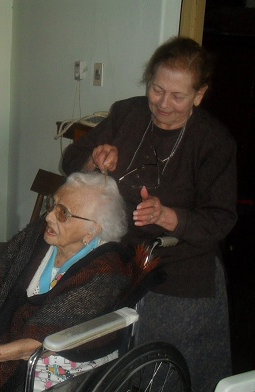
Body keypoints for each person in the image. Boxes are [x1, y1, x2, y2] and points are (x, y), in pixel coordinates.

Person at [62, 37, 237, 391]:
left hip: (183, 276)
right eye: (157, 90)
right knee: (116, 366)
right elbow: (69, 160)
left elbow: (221, 218)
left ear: (199, 95)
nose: (163, 104)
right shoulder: (128, 114)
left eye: (178, 96)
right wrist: (94, 158)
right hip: (121, 265)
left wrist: (170, 216)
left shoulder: (213, 142)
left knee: (171, 373)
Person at [0, 172, 157, 391]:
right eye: (53, 205)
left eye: (63, 213)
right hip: (10, 342)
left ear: (91, 231)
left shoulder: (105, 270)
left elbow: (40, 340)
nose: (49, 216)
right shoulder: (35, 241)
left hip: (63, 355)